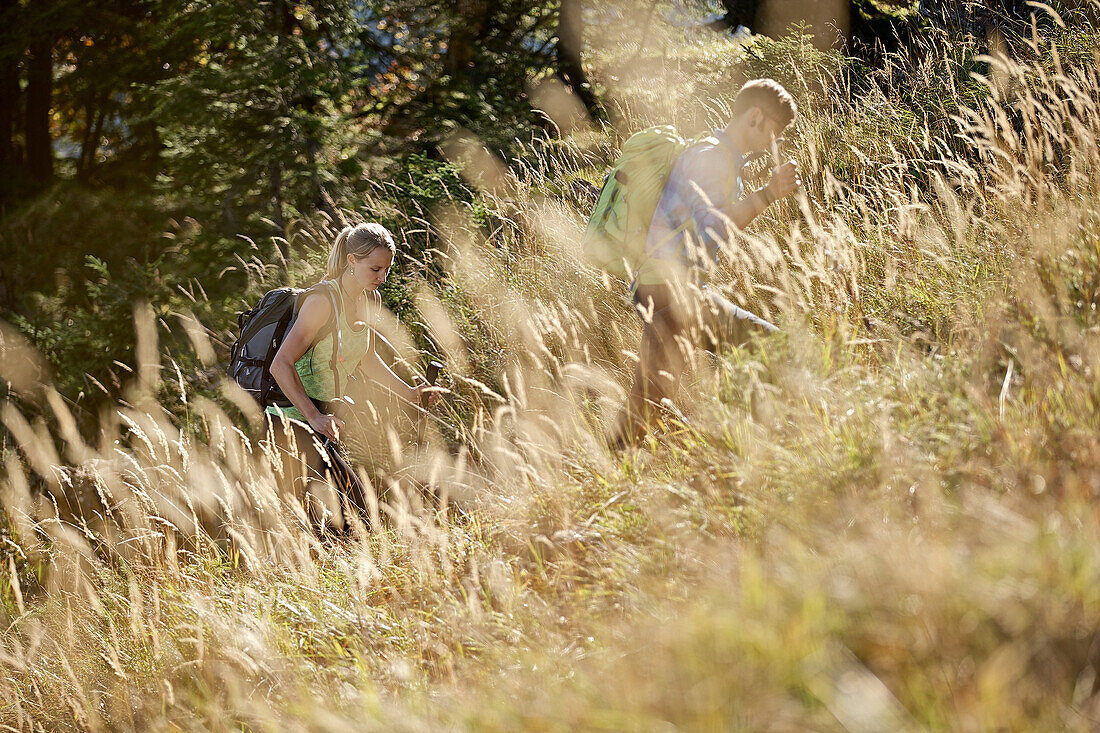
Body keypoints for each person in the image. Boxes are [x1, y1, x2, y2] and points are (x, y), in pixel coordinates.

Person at [612, 78, 802, 447]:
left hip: (663, 288)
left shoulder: (715, 154)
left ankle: (608, 473)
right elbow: (712, 226)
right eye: (774, 131)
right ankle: (761, 445)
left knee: (646, 407)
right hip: (670, 291)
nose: (774, 142)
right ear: (755, 116)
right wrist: (768, 193)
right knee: (773, 347)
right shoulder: (713, 157)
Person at [265, 222, 437, 531]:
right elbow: (280, 365)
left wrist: (410, 393)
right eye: (375, 269)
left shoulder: (369, 301)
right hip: (288, 421)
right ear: (351, 261)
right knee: (345, 520)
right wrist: (314, 416)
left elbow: (366, 359)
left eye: (386, 270)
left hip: (324, 423)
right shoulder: (321, 302)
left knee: (355, 516)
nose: (382, 278)